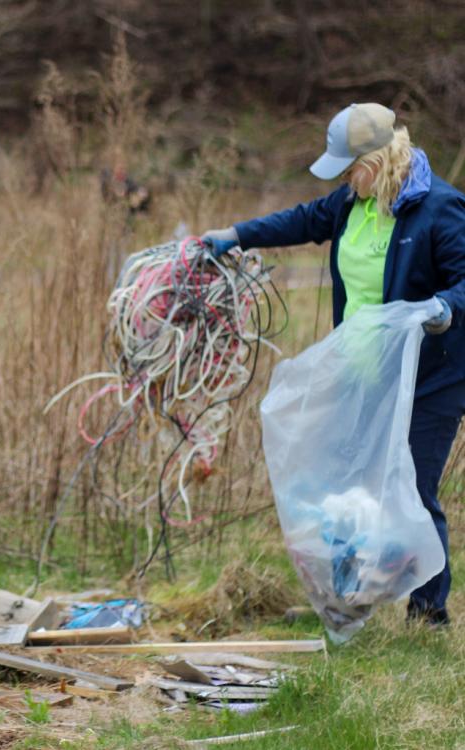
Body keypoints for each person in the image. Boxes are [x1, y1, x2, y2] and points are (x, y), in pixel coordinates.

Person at [202, 102, 465, 628]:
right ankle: (353, 598)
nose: (345, 179)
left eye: (350, 168)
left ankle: (427, 615)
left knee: (412, 486)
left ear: (378, 160)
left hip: (430, 379)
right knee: (349, 484)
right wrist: (238, 234)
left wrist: (444, 307)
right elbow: (301, 220)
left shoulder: (439, 208)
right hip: (364, 373)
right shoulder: (352, 203)